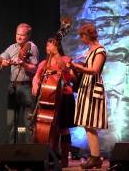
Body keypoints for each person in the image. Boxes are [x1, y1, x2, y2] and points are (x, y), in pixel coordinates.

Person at [69, 23, 108, 169]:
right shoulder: (89, 51)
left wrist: (78, 66)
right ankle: (94, 156)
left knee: (90, 123)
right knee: (87, 124)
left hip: (93, 88)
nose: (81, 40)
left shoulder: (100, 50)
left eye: (82, 36)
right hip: (86, 87)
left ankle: (95, 157)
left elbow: (94, 70)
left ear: (87, 35)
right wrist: (74, 67)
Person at [32, 38, 76, 168]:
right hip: (48, 98)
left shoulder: (66, 60)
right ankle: (50, 156)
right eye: (48, 46)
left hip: (64, 97)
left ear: (57, 48)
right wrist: (35, 83)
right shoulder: (43, 64)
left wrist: (57, 55)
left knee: (63, 129)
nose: (49, 48)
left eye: (52, 46)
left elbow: (67, 72)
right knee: (48, 130)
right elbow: (36, 76)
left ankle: (64, 159)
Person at [0, 23, 39, 143]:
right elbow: (1, 59)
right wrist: (2, 62)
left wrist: (24, 64)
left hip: (26, 86)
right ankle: (12, 151)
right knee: (10, 122)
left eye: (22, 35)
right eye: (17, 34)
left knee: (28, 121)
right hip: (13, 86)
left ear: (28, 36)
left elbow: (35, 68)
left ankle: (30, 152)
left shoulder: (32, 47)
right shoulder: (12, 47)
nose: (19, 37)